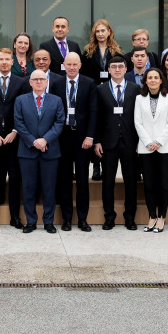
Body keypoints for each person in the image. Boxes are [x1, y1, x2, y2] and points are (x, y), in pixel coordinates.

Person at [0, 48, 30, 229]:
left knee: (15, 178)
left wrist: (16, 131)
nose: (3, 62)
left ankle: (15, 218)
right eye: (0, 59)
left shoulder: (21, 82)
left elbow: (24, 109)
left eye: (7, 59)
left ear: (12, 62)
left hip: (14, 138)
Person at [15, 70, 65, 233]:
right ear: (30, 82)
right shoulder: (20, 100)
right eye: (35, 79)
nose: (38, 82)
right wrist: (33, 141)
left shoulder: (56, 100)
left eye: (41, 79)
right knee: (29, 188)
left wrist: (45, 139)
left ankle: (48, 221)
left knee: (49, 188)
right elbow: (19, 123)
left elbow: (59, 122)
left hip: (50, 151)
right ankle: (31, 221)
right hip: (27, 152)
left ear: (46, 82)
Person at [94, 55, 139, 230]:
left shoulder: (135, 89)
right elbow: (96, 117)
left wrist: (139, 141)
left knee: (131, 181)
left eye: (121, 66)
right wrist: (96, 141)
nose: (118, 69)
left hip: (130, 142)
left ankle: (130, 217)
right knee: (108, 182)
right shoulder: (101, 89)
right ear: (109, 70)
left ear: (126, 69)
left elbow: (139, 116)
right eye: (114, 67)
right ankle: (109, 217)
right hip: (107, 143)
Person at [55, 51, 98, 232]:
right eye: (68, 64)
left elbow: (93, 112)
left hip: (82, 140)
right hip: (62, 137)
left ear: (80, 65)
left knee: (82, 180)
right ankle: (66, 219)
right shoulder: (56, 84)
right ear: (64, 65)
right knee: (64, 179)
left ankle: (82, 219)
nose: (71, 67)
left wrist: (90, 136)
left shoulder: (89, 83)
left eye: (75, 64)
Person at [134, 67, 168, 233]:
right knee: (149, 184)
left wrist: (158, 142)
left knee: (164, 184)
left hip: (165, 147)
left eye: (155, 78)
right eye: (149, 77)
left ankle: (161, 217)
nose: (152, 80)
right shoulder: (139, 99)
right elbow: (138, 122)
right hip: (146, 148)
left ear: (161, 80)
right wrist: (148, 142)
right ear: (145, 80)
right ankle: (151, 215)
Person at [82, 18, 121, 85]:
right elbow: (83, 72)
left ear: (109, 32)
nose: (100, 34)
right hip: (93, 87)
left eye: (103, 31)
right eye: (97, 31)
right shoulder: (88, 51)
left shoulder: (116, 51)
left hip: (110, 87)